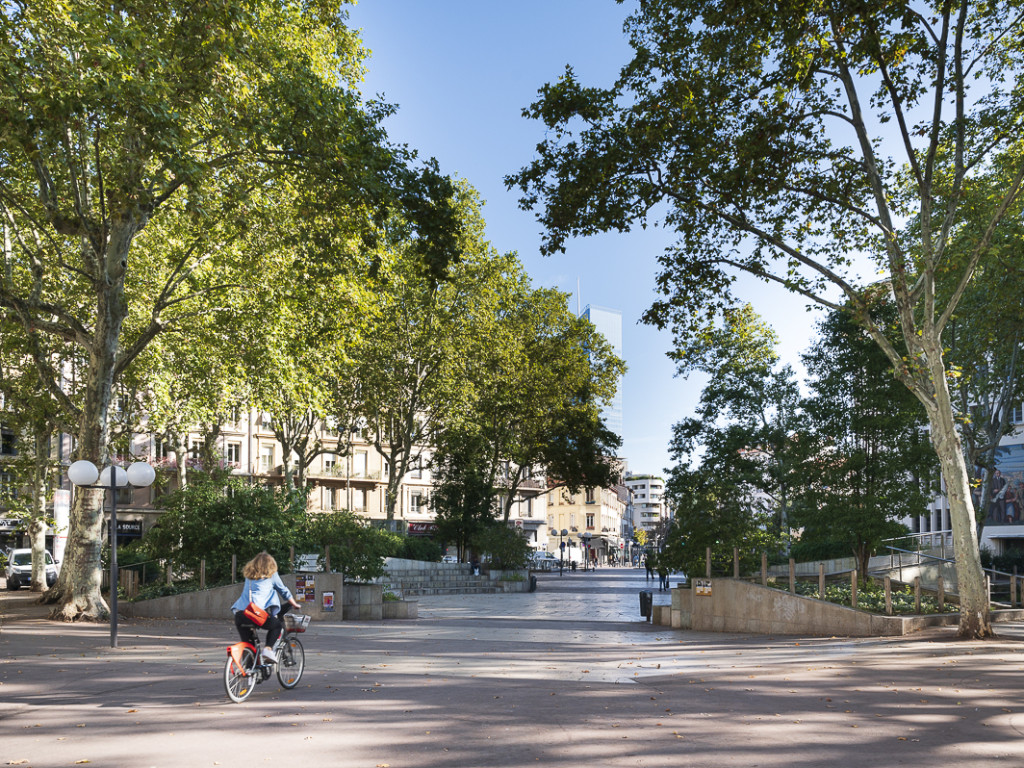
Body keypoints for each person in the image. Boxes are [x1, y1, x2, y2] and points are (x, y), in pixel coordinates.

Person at [230, 552, 300, 663]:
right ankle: (268, 649)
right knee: (276, 626)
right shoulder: (272, 576)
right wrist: (294, 604)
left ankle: (249, 673)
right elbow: (283, 591)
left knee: (249, 645)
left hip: (240, 614)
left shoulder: (249, 577)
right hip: (255, 614)